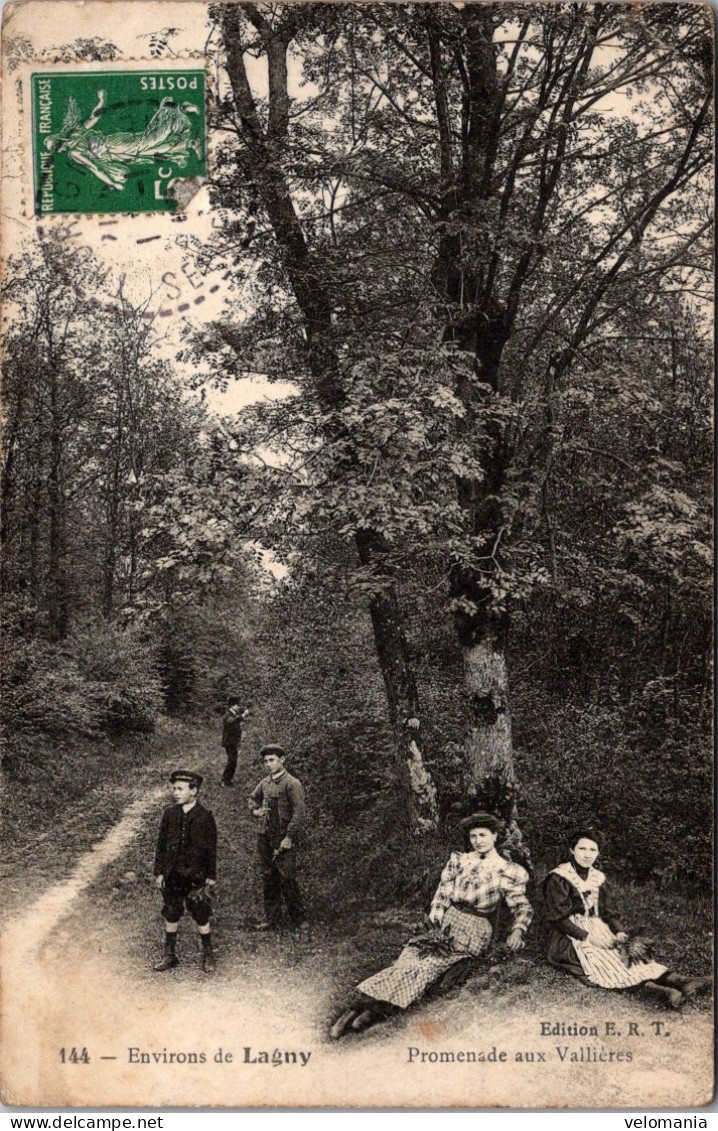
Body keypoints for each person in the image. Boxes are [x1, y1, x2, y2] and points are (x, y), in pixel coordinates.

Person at [330, 812, 533, 1038]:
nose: (478, 841)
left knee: (426, 970)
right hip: (447, 921)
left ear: (494, 836)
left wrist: (517, 930)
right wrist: (434, 924)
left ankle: (374, 1013)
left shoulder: (508, 870)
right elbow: (442, 895)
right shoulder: (459, 860)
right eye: (473, 836)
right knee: (409, 960)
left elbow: (522, 907)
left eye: (483, 835)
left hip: (474, 931)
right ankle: (354, 1010)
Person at [543, 828, 712, 1008]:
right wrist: (591, 938)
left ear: (598, 852)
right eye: (582, 849)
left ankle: (682, 981)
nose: (587, 855)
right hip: (569, 934)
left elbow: (608, 912)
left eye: (593, 850)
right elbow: (558, 918)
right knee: (601, 960)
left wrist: (619, 931)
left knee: (627, 954)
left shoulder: (597, 877)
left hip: (597, 927)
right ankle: (659, 991)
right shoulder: (559, 877)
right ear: (572, 850)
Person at [153, 770, 218, 973]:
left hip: (195, 876)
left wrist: (210, 877)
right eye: (174, 789)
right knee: (171, 911)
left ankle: (208, 954)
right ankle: (169, 954)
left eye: (180, 789)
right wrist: (160, 872)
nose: (175, 792)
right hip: (172, 875)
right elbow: (161, 845)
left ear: (194, 791)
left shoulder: (204, 817)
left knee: (200, 913)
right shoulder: (170, 815)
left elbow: (211, 849)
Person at [248, 745, 306, 930]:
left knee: (287, 877)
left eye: (272, 760)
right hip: (265, 836)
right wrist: (256, 811)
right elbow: (252, 798)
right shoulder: (265, 783)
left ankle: (298, 920)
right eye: (266, 761)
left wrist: (289, 837)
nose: (268, 764)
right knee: (268, 877)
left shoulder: (292, 783)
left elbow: (299, 813)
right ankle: (273, 919)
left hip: (283, 837)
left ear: (282, 760)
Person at [220, 698, 249, 787]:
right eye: (237, 705)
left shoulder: (233, 714)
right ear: (233, 705)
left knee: (233, 761)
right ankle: (224, 780)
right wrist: (243, 715)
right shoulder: (227, 715)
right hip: (229, 742)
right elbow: (232, 722)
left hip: (233, 742)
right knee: (232, 761)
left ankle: (228, 780)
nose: (238, 707)